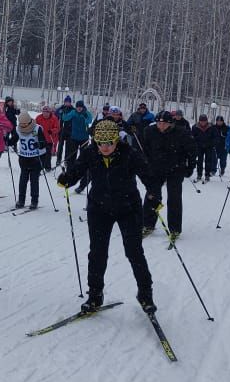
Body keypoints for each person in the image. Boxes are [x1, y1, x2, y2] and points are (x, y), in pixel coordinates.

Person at [57, 120, 157, 314]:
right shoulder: (90, 152)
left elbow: (149, 176)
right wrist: (67, 179)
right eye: (100, 143)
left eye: (109, 143)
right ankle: (95, 296)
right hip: (99, 208)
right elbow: (76, 171)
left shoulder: (129, 153)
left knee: (134, 252)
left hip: (128, 208)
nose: (104, 147)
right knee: (97, 252)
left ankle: (145, 295)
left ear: (116, 141)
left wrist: (153, 196)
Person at [139, 111, 196, 241]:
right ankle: (147, 224)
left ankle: (175, 229)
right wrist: (145, 164)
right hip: (156, 168)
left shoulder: (181, 132)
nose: (161, 126)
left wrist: (190, 167)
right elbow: (144, 150)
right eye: (159, 123)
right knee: (152, 195)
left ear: (170, 123)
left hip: (175, 169)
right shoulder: (149, 131)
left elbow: (192, 150)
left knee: (174, 198)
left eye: (164, 123)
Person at [14, 112, 49, 209]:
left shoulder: (37, 128)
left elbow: (44, 142)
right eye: (22, 124)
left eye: (25, 123)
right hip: (24, 157)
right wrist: (7, 140)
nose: (23, 125)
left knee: (34, 180)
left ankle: (34, 201)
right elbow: (14, 139)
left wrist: (39, 144)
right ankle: (21, 200)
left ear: (29, 122)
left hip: (36, 158)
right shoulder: (18, 129)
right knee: (23, 180)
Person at [60, 100, 94, 191]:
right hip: (74, 138)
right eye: (78, 107)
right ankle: (69, 174)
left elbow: (89, 121)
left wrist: (85, 117)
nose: (79, 108)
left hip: (84, 138)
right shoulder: (73, 112)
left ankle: (83, 179)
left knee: (84, 158)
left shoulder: (86, 113)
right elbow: (65, 118)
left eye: (80, 107)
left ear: (82, 107)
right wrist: (64, 112)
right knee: (72, 157)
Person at [190, 115, 220, 183]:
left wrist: (213, 143)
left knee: (208, 161)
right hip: (199, 147)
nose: (203, 122)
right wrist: (194, 143)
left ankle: (207, 175)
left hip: (209, 146)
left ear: (206, 121)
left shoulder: (211, 127)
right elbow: (192, 137)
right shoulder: (195, 127)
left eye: (204, 121)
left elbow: (216, 137)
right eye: (201, 121)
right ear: (199, 121)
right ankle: (199, 175)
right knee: (199, 161)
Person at [35, 105, 61, 171]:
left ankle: (47, 167)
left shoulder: (54, 118)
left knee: (48, 153)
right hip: (41, 139)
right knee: (41, 153)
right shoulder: (38, 118)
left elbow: (58, 128)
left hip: (50, 139)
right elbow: (34, 127)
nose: (45, 113)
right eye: (44, 112)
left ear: (50, 112)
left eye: (47, 112)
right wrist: (35, 134)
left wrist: (52, 131)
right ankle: (40, 166)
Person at [55, 95, 75, 167]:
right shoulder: (61, 109)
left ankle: (66, 160)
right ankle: (58, 159)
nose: (67, 103)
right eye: (66, 102)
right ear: (64, 102)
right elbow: (55, 115)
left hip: (69, 130)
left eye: (68, 102)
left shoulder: (73, 109)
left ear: (70, 103)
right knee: (60, 146)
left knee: (68, 147)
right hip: (61, 129)